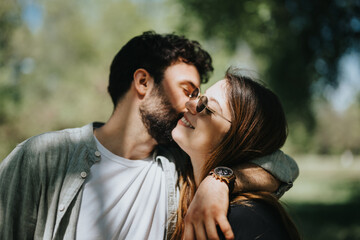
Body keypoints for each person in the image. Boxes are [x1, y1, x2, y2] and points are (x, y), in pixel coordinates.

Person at [0, 32, 298, 240]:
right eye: (187, 91)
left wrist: (218, 179)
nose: (190, 104)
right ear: (143, 82)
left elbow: (282, 165)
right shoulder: (42, 158)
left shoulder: (179, 169)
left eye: (200, 98)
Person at [171, 67, 300, 239]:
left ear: (239, 138)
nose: (189, 103)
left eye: (206, 106)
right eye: (196, 95)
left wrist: (219, 180)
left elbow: (287, 165)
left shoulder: (247, 221)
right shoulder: (175, 170)